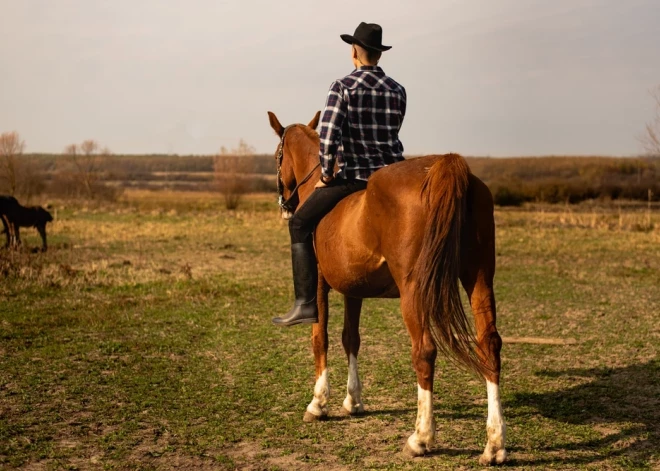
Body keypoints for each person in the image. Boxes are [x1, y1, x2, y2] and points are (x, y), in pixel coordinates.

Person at [272, 22, 407, 326]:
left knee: (300, 223)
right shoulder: (398, 90)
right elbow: (392, 133)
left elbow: (329, 134)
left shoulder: (342, 87)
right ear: (379, 55)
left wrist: (326, 175)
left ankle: (305, 304)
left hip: (355, 178)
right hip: (391, 180)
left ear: (354, 52)